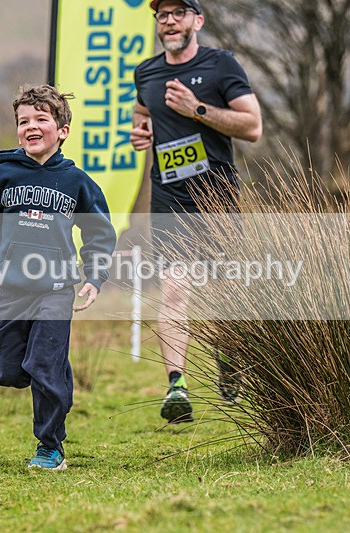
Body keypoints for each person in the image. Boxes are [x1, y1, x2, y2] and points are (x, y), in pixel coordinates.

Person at [0, 84, 117, 470]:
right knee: (12, 371)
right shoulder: (1, 178)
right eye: (23, 121)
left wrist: (94, 276)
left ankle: (50, 446)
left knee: (44, 366)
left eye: (41, 119)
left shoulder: (77, 182)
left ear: (61, 130)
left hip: (56, 290)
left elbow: (99, 233)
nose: (31, 126)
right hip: (8, 289)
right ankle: (50, 367)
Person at [130, 0, 262, 422]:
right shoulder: (146, 72)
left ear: (196, 21)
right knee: (173, 290)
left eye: (178, 13)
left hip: (216, 194)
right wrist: (141, 129)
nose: (169, 21)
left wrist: (197, 109)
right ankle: (176, 387)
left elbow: (253, 126)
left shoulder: (221, 65)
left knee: (224, 291)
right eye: (162, 15)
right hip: (168, 196)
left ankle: (231, 360)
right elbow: (142, 110)